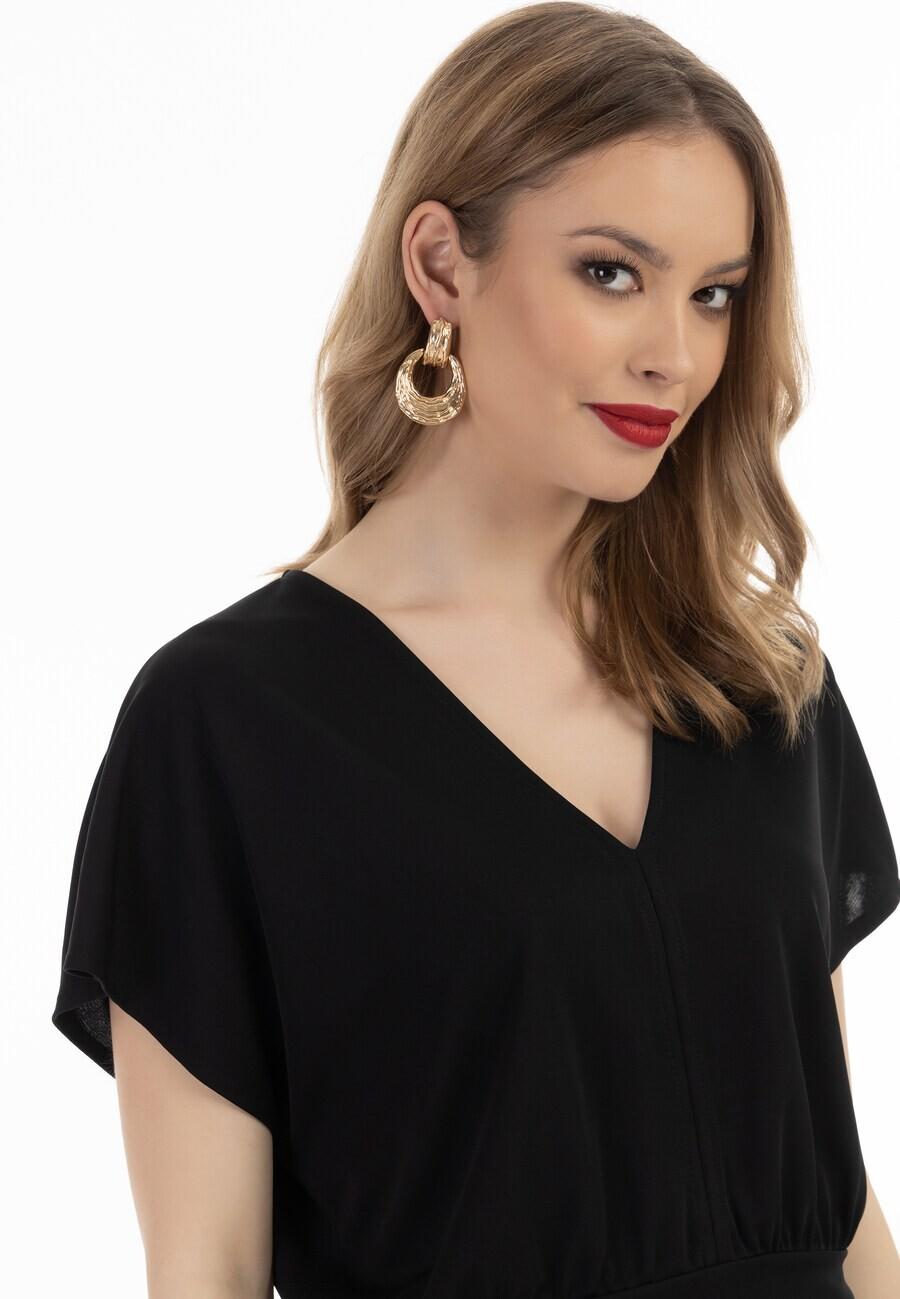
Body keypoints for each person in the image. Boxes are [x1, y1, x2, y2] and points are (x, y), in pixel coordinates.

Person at [51, 4, 900, 1297]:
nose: (674, 355)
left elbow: (840, 1212)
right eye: (612, 274)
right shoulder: (228, 726)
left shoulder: (756, 681)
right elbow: (206, 1270)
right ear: (442, 267)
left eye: (715, 295)